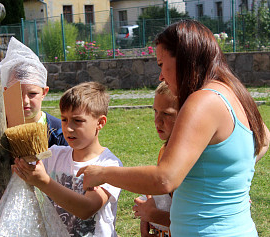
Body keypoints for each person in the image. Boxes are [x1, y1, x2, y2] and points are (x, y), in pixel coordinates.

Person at [77, 20, 270, 236]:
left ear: (184, 59)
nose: (160, 76)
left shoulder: (203, 101)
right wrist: (227, 172)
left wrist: (103, 173)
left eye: (161, 64)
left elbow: (164, 179)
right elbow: (264, 139)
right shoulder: (234, 92)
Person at [12, 82, 123, 237]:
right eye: (64, 119)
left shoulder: (109, 165)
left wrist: (44, 181)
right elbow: (26, 162)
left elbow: (87, 208)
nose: (68, 128)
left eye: (78, 121)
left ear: (100, 122)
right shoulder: (53, 154)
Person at [0, 37, 68, 236]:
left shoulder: (58, 132)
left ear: (44, 92)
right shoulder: (1, 134)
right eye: (17, 93)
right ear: (5, 92)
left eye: (32, 93)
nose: (25, 101)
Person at [133, 82, 178, 237]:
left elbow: (192, 220)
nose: (157, 121)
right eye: (155, 112)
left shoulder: (194, 162)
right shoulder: (165, 151)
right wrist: (146, 219)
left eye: (166, 114)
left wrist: (151, 214)